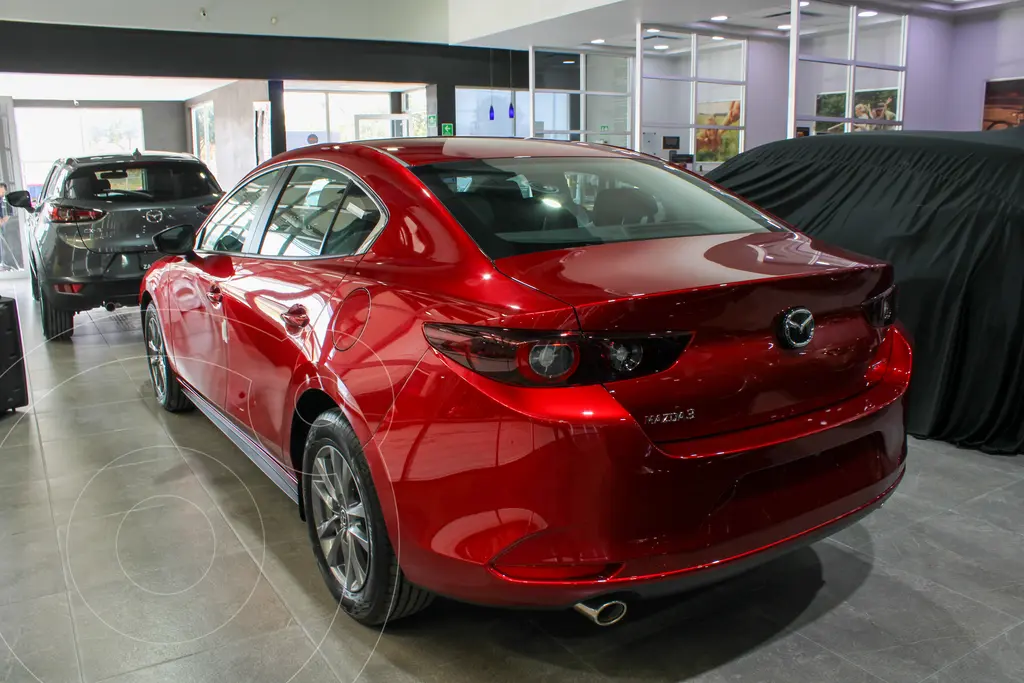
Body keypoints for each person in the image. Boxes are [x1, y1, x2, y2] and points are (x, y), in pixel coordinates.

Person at [0, 183, 11, 271]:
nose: (1, 193)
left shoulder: (6, 201)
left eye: (3, 191)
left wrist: (3, 220)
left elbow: (10, 213)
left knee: (4, 245)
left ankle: (3, 263)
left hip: (4, 226)